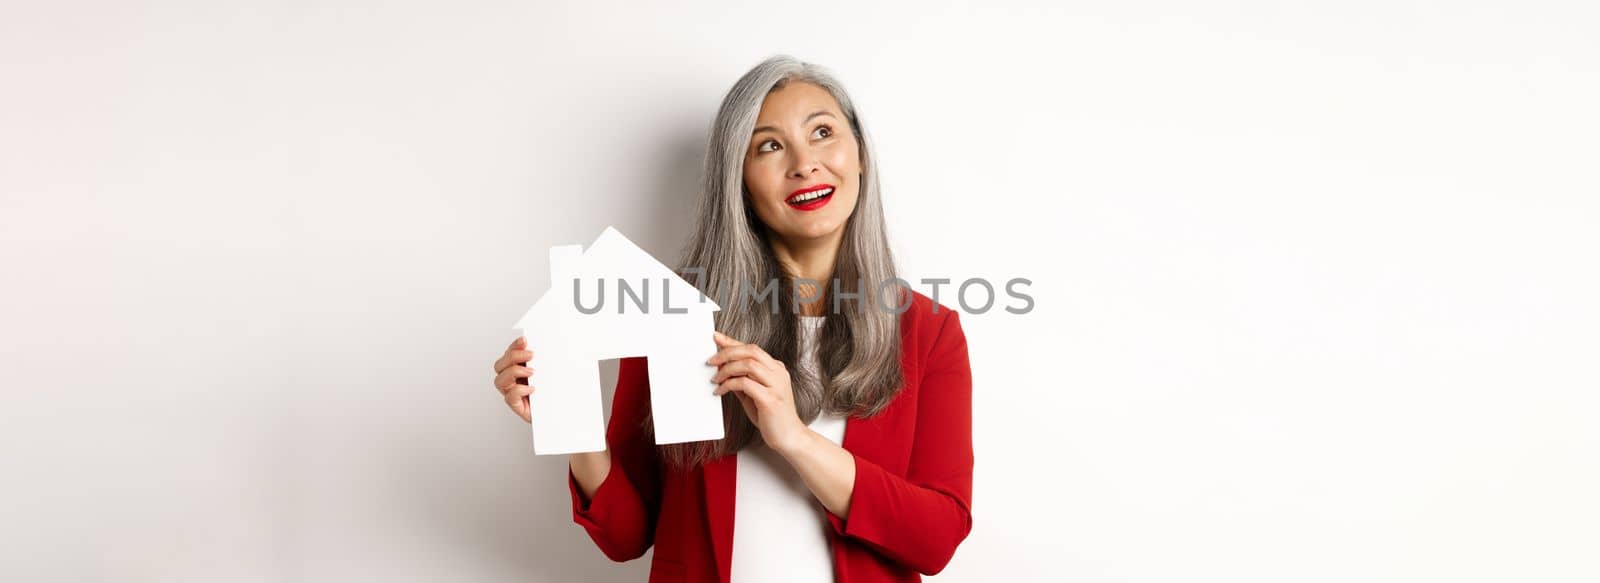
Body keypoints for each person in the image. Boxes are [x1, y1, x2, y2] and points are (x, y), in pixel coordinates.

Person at [490, 55, 973, 583]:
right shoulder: (672, 316)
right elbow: (628, 537)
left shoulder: (927, 332)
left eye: (822, 132)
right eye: (769, 145)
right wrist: (570, 420)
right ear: (738, 179)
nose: (804, 164)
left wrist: (792, 436)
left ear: (859, 155)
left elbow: (936, 538)